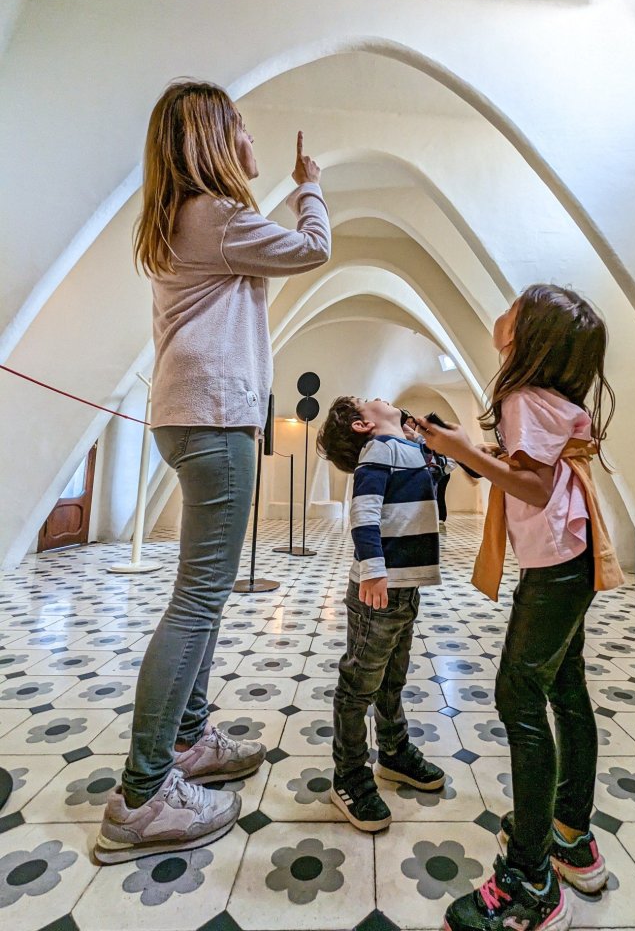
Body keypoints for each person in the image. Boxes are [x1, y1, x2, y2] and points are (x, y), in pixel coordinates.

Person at [95, 80, 331, 865]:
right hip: (212, 416)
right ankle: (142, 794)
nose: (248, 138)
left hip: (184, 415)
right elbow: (314, 250)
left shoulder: (182, 218)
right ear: (211, 140)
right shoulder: (221, 218)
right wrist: (308, 188)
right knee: (196, 602)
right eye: (238, 127)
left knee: (201, 596)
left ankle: (188, 740)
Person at [417, 284, 623, 931]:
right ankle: (569, 835)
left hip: (557, 567)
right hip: (573, 557)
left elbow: (531, 485)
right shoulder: (549, 398)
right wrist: (479, 455)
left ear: (527, 334)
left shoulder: (520, 396)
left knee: (518, 696)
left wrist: (461, 452)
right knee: (566, 690)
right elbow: (533, 471)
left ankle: (531, 881)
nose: (500, 310)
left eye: (514, 304)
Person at [316, 396, 446, 831]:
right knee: (360, 684)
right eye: (368, 399)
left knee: (393, 676)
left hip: (404, 588)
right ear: (361, 425)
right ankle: (349, 775)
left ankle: (393, 752)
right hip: (379, 590)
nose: (382, 398)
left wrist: (422, 438)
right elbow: (364, 513)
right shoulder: (377, 453)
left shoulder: (404, 447)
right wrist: (372, 571)